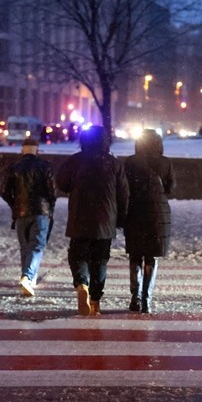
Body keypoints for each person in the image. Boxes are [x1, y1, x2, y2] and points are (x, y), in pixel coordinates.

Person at [56, 125, 129, 316]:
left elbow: (62, 183)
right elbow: (123, 194)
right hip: (105, 219)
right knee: (100, 260)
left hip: (80, 217)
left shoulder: (75, 161)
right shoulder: (113, 163)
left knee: (78, 255)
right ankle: (96, 300)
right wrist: (120, 218)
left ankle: (82, 284)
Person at [124, 129, 175, 314]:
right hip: (157, 214)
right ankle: (147, 298)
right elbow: (170, 188)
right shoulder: (165, 162)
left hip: (135, 212)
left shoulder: (130, 162)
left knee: (135, 254)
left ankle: (135, 296)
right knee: (151, 256)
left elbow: (124, 186)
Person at [1, 137, 56, 297]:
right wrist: (49, 207)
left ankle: (27, 277)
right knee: (37, 245)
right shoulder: (45, 166)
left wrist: (15, 205)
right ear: (37, 150)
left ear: (22, 150)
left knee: (25, 246)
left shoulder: (14, 167)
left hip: (20, 212)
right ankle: (28, 277)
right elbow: (52, 191)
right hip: (41, 211)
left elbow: (4, 191)